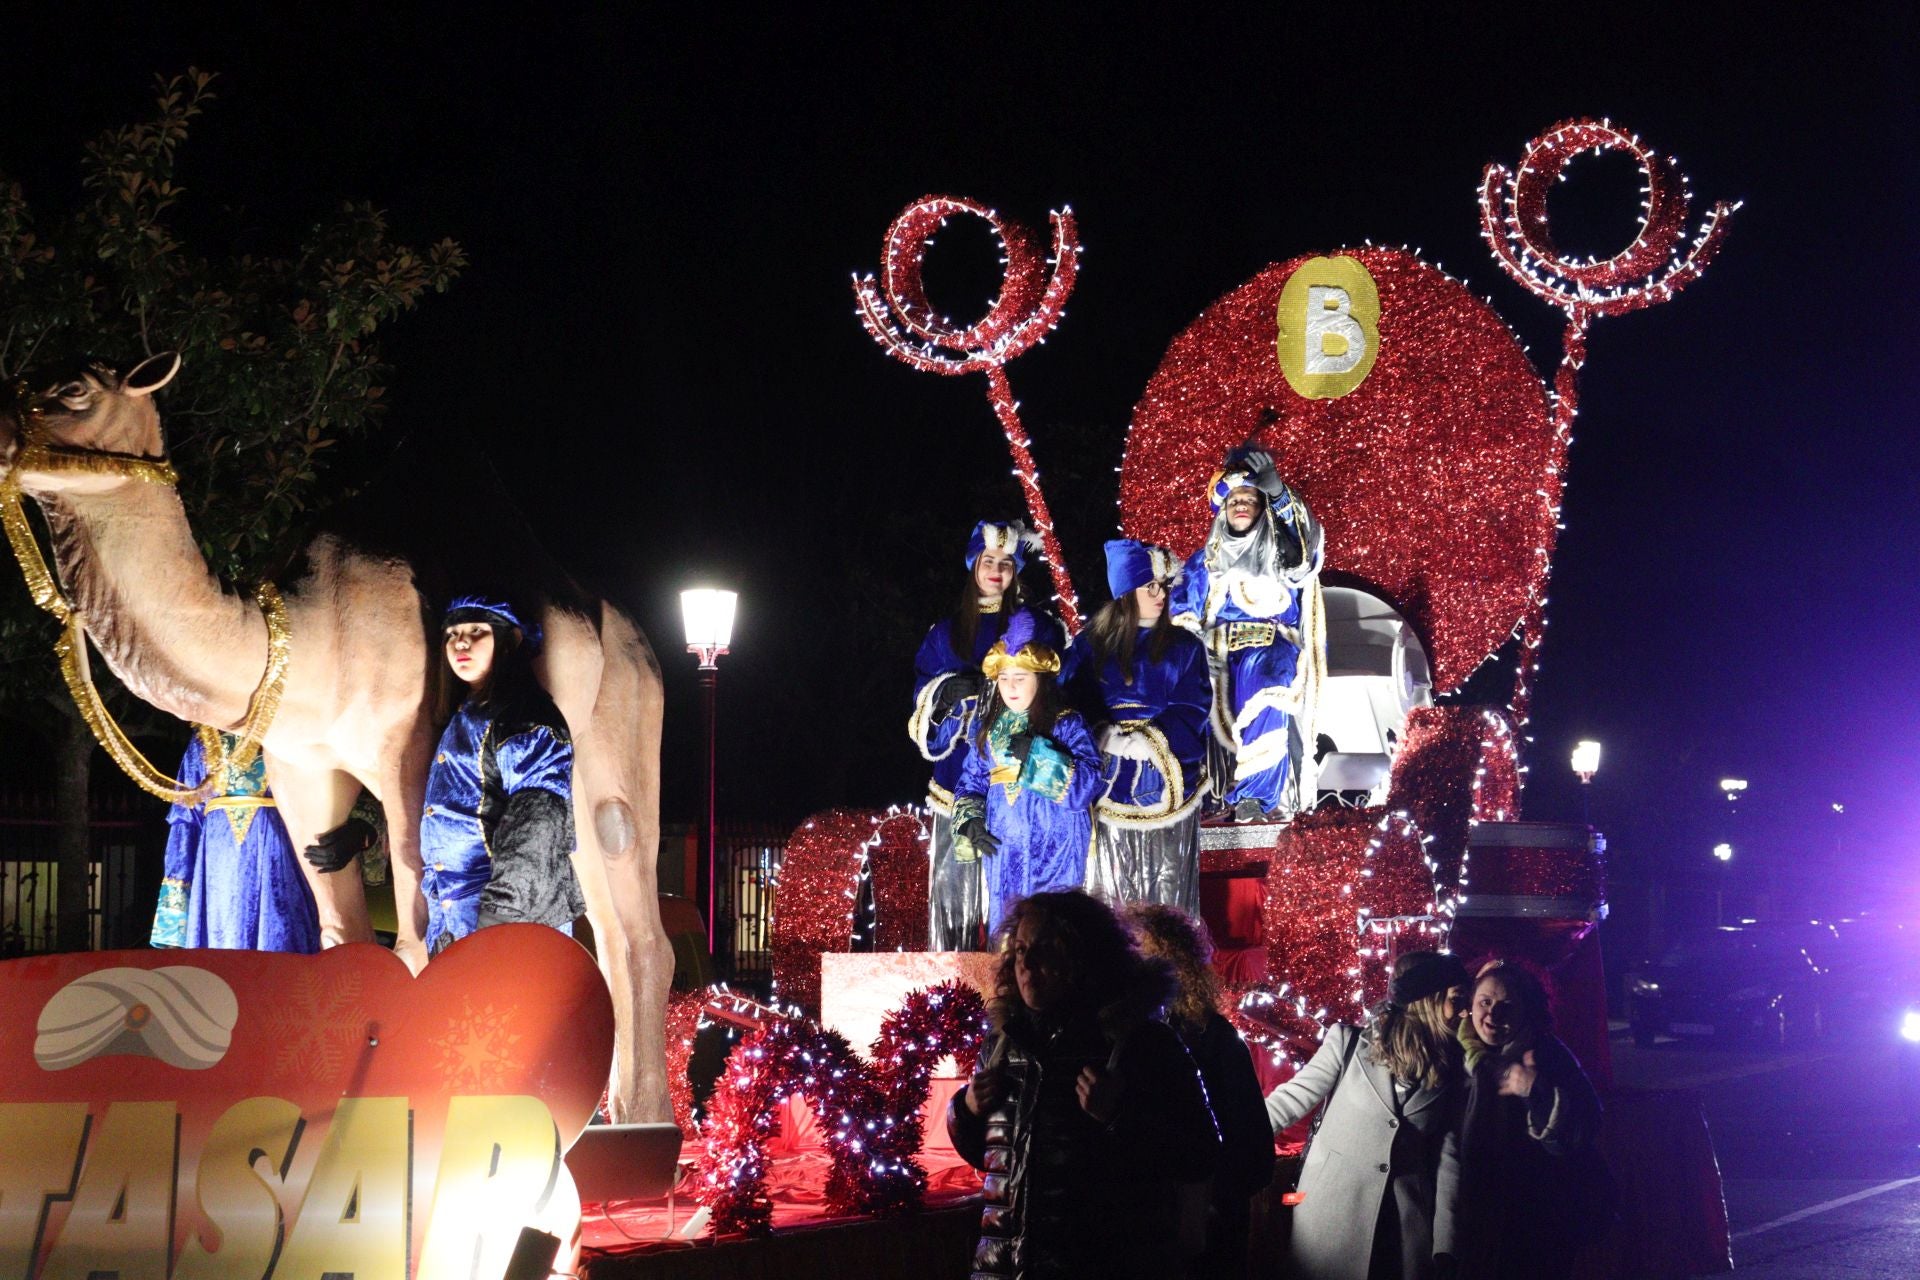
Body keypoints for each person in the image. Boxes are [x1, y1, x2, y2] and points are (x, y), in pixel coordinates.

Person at [948, 890, 1221, 1279]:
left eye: (1045, 948)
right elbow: (996, 1163)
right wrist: (966, 1111)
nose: (1027, 962)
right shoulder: (1004, 1043)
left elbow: (1200, 1152)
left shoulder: (1143, 1043)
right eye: (1020, 949)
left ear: (1082, 955)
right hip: (1004, 1268)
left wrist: (1119, 1116)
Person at [320, 595, 586, 956]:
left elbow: (538, 821)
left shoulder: (526, 718)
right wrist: (366, 832)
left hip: (510, 926)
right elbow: (440, 808)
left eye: (476, 631)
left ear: (511, 639)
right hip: (452, 924)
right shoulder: (460, 716)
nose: (460, 643)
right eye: (452, 634)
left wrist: (500, 917)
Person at [1263, 950, 1470, 1280]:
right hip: (1331, 1218)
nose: (1465, 1010)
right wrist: (1228, 1137)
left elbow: (1449, 1159)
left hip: (1402, 1229)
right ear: (1427, 1000)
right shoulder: (1348, 1043)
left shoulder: (1455, 1072)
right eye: (1456, 999)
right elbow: (1290, 1101)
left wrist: (1445, 1244)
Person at [909, 520, 1061, 949]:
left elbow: (1057, 689)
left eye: (1006, 563)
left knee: (1018, 905)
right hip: (957, 782)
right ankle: (952, 983)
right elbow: (921, 695)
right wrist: (943, 694)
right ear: (973, 565)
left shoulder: (1038, 626)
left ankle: (1018, 977)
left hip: (1016, 786)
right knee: (953, 902)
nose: (996, 571)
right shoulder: (945, 633)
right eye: (988, 561)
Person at [1171, 446, 1326, 822]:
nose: (1241, 504)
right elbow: (1182, 612)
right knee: (1189, 693)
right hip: (1217, 652)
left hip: (1270, 648)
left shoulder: (1282, 555)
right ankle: (1207, 795)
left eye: (1250, 499)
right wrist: (1192, 651)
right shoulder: (1205, 561)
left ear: (1262, 507)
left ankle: (1255, 798)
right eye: (1234, 499)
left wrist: (1279, 495)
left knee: (1266, 688)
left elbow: (1305, 556)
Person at [1123, 902, 1274, 1279]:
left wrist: (1207, 1201)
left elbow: (1253, 1152)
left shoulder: (1212, 1037)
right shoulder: (1119, 1039)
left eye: (1142, 957)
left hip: (1204, 1231)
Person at [1080, 539, 1212, 913]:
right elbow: (1071, 699)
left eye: (1164, 586)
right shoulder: (1090, 645)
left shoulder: (1186, 646)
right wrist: (1103, 736)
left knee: (1167, 898)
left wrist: (1148, 744)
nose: (1161, 595)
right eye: (1150, 586)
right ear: (1125, 592)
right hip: (1106, 779)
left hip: (1166, 777)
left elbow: (1193, 705)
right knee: (1111, 900)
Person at [953, 609, 1102, 936]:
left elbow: (1089, 783)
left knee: (1053, 930)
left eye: (1020, 678)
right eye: (1004, 678)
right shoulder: (987, 728)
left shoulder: (1066, 723)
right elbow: (970, 781)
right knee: (1009, 929)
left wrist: (1038, 757)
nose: (1010, 686)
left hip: (1056, 847)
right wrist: (970, 820)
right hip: (1003, 848)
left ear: (1040, 678)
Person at [1456, 960, 1607, 1279]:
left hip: (1537, 1221)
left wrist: (1536, 1089)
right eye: (1485, 1002)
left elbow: (1584, 1128)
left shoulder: (1547, 1054)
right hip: (1473, 1214)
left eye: (1507, 1006)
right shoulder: (1457, 1054)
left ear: (1527, 1011)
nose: (1493, 1014)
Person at [151, 727, 320, 952]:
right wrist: (173, 922)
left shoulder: (295, 730)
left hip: (283, 865)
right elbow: (184, 827)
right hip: (219, 877)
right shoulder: (203, 740)